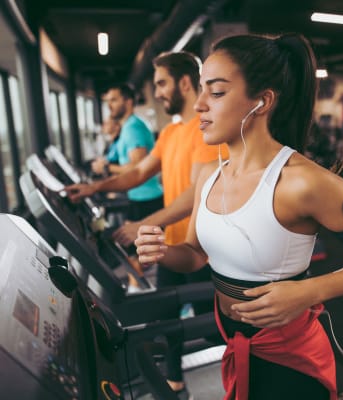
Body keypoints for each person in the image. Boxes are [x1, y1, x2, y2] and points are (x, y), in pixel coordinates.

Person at [134, 33, 343, 400]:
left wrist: (308, 291)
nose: (198, 105)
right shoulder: (210, 176)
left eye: (216, 91)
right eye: (200, 90)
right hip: (234, 341)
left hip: (290, 358)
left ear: (261, 101)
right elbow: (195, 254)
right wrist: (165, 250)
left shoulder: (303, 182)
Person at [65, 51, 228, 399]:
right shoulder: (170, 132)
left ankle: (241, 380)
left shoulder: (206, 131)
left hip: (202, 246)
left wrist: (143, 223)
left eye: (162, 83)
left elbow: (192, 195)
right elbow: (139, 172)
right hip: (172, 245)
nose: (157, 93)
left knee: (213, 326)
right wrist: (94, 187)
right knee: (163, 319)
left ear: (185, 82)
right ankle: (174, 382)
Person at [91, 83, 164, 221]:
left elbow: (138, 167)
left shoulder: (133, 128)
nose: (109, 106)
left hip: (146, 198)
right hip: (138, 195)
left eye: (114, 100)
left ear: (128, 102)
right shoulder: (128, 126)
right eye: (108, 101)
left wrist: (106, 167)